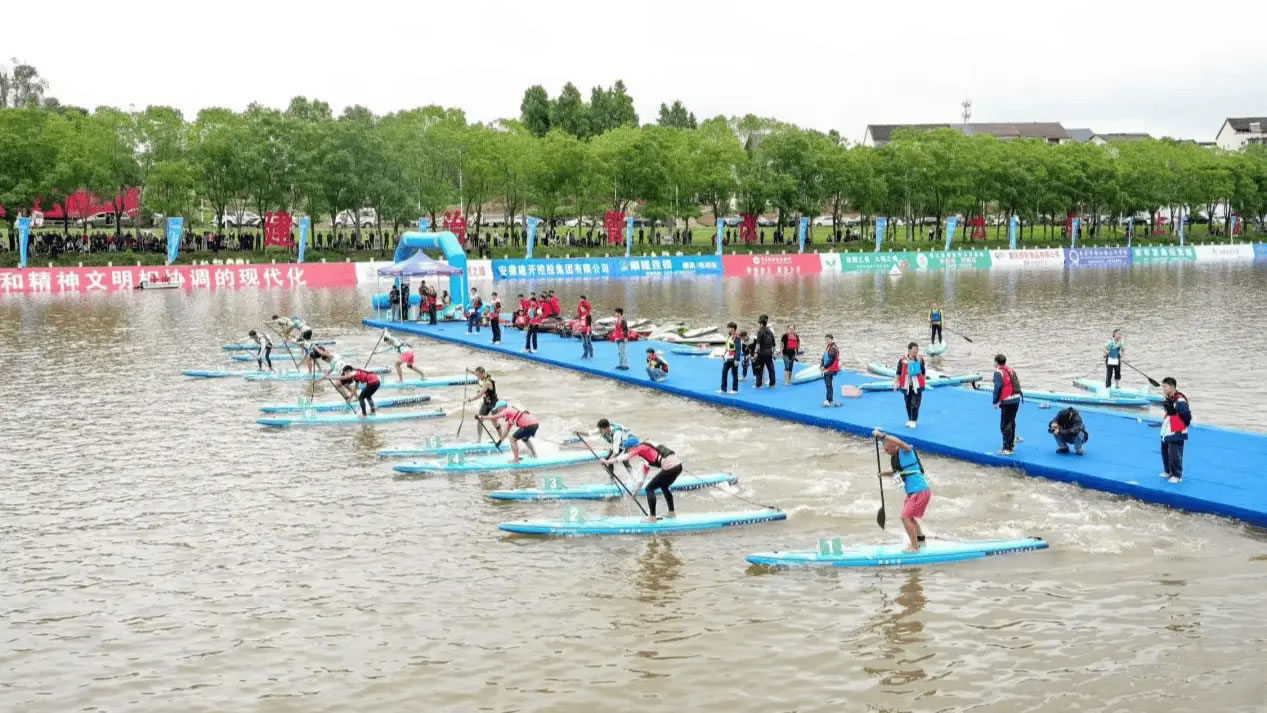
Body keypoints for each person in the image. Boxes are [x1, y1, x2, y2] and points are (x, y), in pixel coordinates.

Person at [873, 429, 931, 553]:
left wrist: (883, 436)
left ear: (894, 446)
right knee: (909, 518)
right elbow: (897, 472)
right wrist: (882, 474)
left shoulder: (906, 451)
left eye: (887, 450)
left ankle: (915, 547)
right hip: (914, 493)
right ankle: (921, 541)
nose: (886, 452)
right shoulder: (896, 458)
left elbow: (899, 442)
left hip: (920, 491)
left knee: (905, 517)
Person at [605, 441, 683, 523]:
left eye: (628, 449)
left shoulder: (640, 448)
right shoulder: (645, 455)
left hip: (670, 467)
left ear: (632, 447)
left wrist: (607, 461)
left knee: (649, 489)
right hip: (678, 466)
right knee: (664, 486)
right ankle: (671, 513)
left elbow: (625, 457)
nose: (628, 451)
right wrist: (636, 492)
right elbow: (641, 480)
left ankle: (652, 518)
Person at [1160, 377, 1191, 484]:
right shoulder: (1169, 398)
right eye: (1163, 386)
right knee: (1165, 451)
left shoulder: (1180, 400)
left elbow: (1187, 415)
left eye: (1165, 386)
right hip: (1167, 428)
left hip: (1177, 429)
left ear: (1172, 387)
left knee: (1174, 453)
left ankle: (1177, 475)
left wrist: (1183, 426)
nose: (1163, 388)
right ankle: (1168, 471)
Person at [992, 354, 1023, 456]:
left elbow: (998, 387)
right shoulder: (1011, 370)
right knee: (1011, 421)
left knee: (1005, 425)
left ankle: (1007, 448)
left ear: (996, 362)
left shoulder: (998, 372)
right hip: (1017, 398)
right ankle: (1011, 443)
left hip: (1008, 400)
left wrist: (995, 402)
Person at [895, 342, 926, 428]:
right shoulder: (902, 360)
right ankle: (910, 419)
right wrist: (895, 383)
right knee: (907, 403)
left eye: (917, 349)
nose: (915, 351)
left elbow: (923, 371)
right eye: (914, 349)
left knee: (915, 404)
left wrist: (923, 381)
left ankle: (914, 420)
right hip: (906, 385)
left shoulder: (920, 359)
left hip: (917, 385)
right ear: (909, 350)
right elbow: (898, 373)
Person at [466, 366, 499, 441]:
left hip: (494, 403)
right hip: (486, 402)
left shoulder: (487, 382)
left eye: (478, 375)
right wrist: (469, 371)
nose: (477, 377)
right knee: (479, 419)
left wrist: (469, 400)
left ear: (483, 373)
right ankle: (479, 439)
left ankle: (501, 439)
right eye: (477, 375)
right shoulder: (483, 375)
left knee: (495, 422)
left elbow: (479, 395)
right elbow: (476, 373)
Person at [753, 314, 777, 388]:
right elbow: (774, 344)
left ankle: (758, 385)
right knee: (771, 369)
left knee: (759, 368)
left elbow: (758, 343)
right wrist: (774, 353)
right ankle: (772, 384)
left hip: (761, 353)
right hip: (769, 352)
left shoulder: (760, 331)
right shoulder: (770, 331)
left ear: (760, 323)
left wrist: (755, 353)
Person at [719, 322, 739, 394]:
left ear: (733, 328)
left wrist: (737, 359)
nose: (727, 329)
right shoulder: (729, 336)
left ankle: (735, 389)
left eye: (729, 328)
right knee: (724, 372)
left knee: (734, 374)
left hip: (733, 358)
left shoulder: (737, 337)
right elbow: (727, 347)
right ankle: (723, 389)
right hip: (727, 357)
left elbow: (738, 349)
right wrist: (724, 355)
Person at [821, 333, 841, 407]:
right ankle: (830, 400)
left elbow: (831, 360)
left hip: (831, 368)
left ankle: (829, 400)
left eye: (828, 339)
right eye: (826, 340)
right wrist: (821, 365)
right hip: (827, 368)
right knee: (828, 384)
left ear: (832, 339)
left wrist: (824, 366)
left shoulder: (833, 348)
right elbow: (823, 357)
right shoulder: (828, 347)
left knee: (828, 384)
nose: (827, 341)